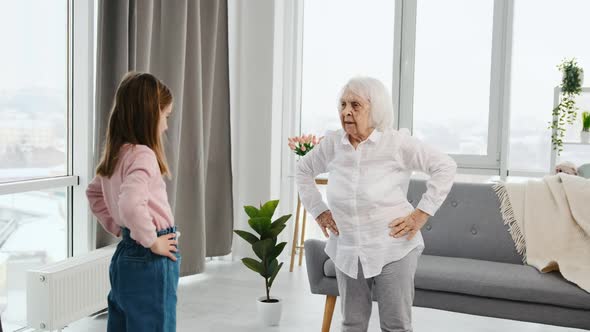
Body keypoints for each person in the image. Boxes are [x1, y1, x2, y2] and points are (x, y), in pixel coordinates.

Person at [296, 76, 456, 332]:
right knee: (352, 324)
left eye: (355, 105)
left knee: (395, 325)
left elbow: (445, 166)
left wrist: (420, 215)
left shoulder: (395, 144)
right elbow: (303, 170)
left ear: (376, 109)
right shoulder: (333, 144)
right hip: (348, 248)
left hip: (392, 248)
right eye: (343, 104)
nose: (346, 111)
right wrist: (319, 210)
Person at [86, 72, 180, 332]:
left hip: (125, 255)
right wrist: (151, 240)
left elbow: (94, 194)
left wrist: (121, 228)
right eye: (165, 117)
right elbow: (130, 204)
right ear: (151, 116)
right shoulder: (143, 155)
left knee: (123, 324)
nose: (166, 127)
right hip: (149, 258)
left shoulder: (116, 155)